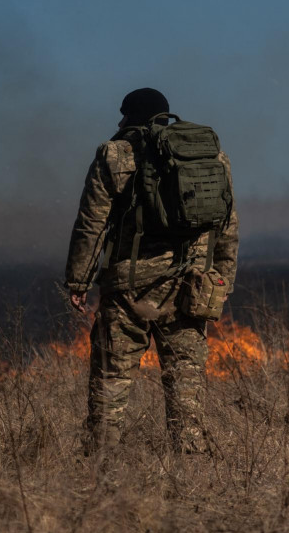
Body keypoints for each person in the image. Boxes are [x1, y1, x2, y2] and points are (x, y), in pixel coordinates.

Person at [65, 88, 238, 453]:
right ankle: (190, 467)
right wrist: (222, 280)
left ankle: (102, 466)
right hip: (192, 283)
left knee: (111, 379)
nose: (118, 122)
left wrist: (78, 280)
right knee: (186, 386)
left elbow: (91, 223)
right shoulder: (210, 155)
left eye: (123, 115)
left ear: (132, 117)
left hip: (130, 286)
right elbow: (227, 224)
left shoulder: (114, 154)